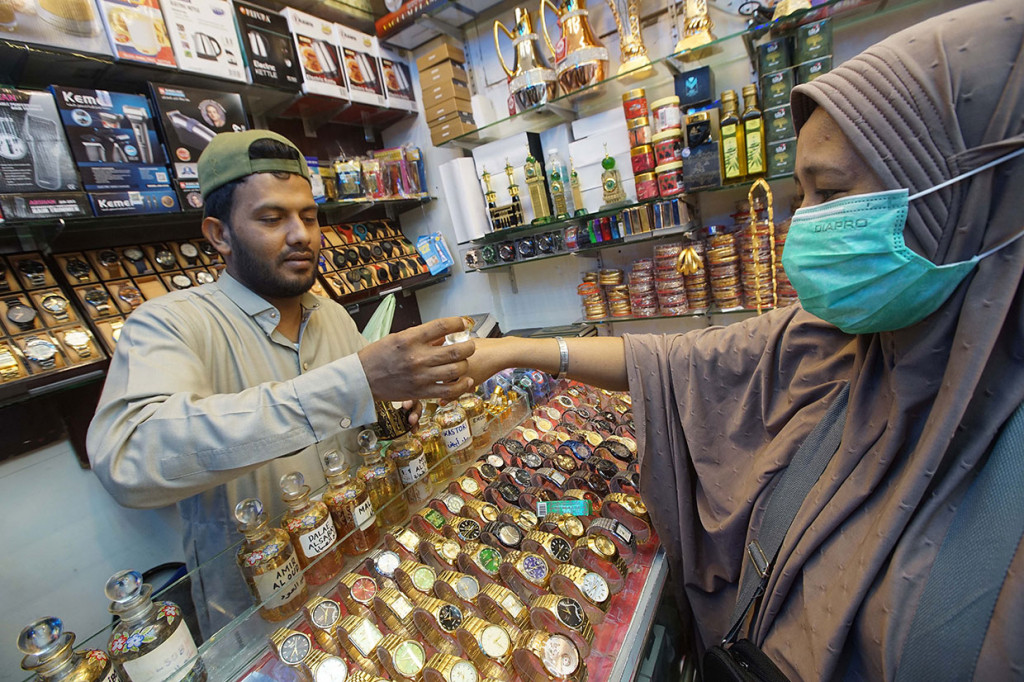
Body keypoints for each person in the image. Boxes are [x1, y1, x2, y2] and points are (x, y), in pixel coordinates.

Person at [467, 0, 1024, 677]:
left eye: (832, 193)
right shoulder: (843, 340)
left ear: (964, 200)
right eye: (801, 195)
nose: (804, 227)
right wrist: (519, 349)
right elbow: (671, 362)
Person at [86, 129, 475, 636]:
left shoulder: (333, 316)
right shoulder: (169, 324)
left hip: (363, 577)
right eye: (272, 219)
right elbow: (129, 457)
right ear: (219, 234)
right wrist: (354, 382)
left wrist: (397, 412)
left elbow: (360, 430)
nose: (302, 235)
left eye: (309, 217)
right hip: (260, 620)